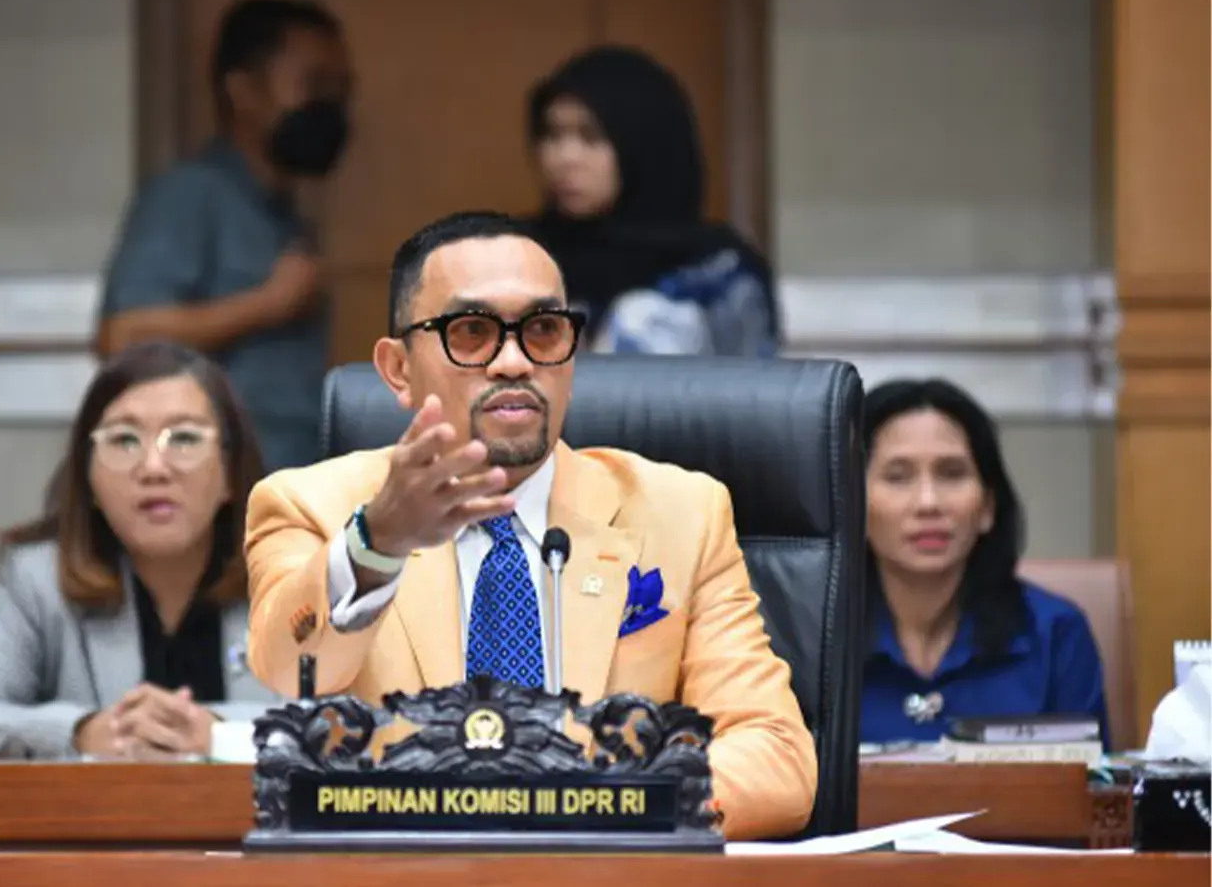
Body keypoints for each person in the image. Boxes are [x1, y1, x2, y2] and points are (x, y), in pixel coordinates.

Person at [242, 211, 816, 840]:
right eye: (472, 331)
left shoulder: (682, 514)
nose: (514, 361)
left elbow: (775, 758)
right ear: (399, 370)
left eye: (543, 330)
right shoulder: (309, 505)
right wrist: (377, 545)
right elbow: (288, 668)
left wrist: (595, 807)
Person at [0, 342, 276, 760]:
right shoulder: (42, 582)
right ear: (90, 479)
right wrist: (80, 732)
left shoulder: (292, 577)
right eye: (124, 440)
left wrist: (216, 732)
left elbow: (341, 721)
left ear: (230, 472)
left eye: (184, 438)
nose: (154, 468)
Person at [96, 0, 353, 472]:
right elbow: (122, 338)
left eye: (340, 90)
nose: (331, 106)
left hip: (288, 483)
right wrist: (266, 304)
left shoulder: (287, 217)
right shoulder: (190, 195)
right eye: (314, 84)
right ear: (244, 90)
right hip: (218, 489)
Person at [860, 378, 1110, 745]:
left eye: (952, 473)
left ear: (988, 506)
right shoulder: (806, 644)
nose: (928, 503)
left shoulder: (1056, 635)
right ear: (851, 503)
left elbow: (1093, 778)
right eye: (898, 477)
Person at [525, 45, 778, 357]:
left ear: (643, 145)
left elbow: (756, 382)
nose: (565, 158)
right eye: (552, 135)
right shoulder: (524, 259)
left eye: (591, 137)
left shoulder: (717, 272)